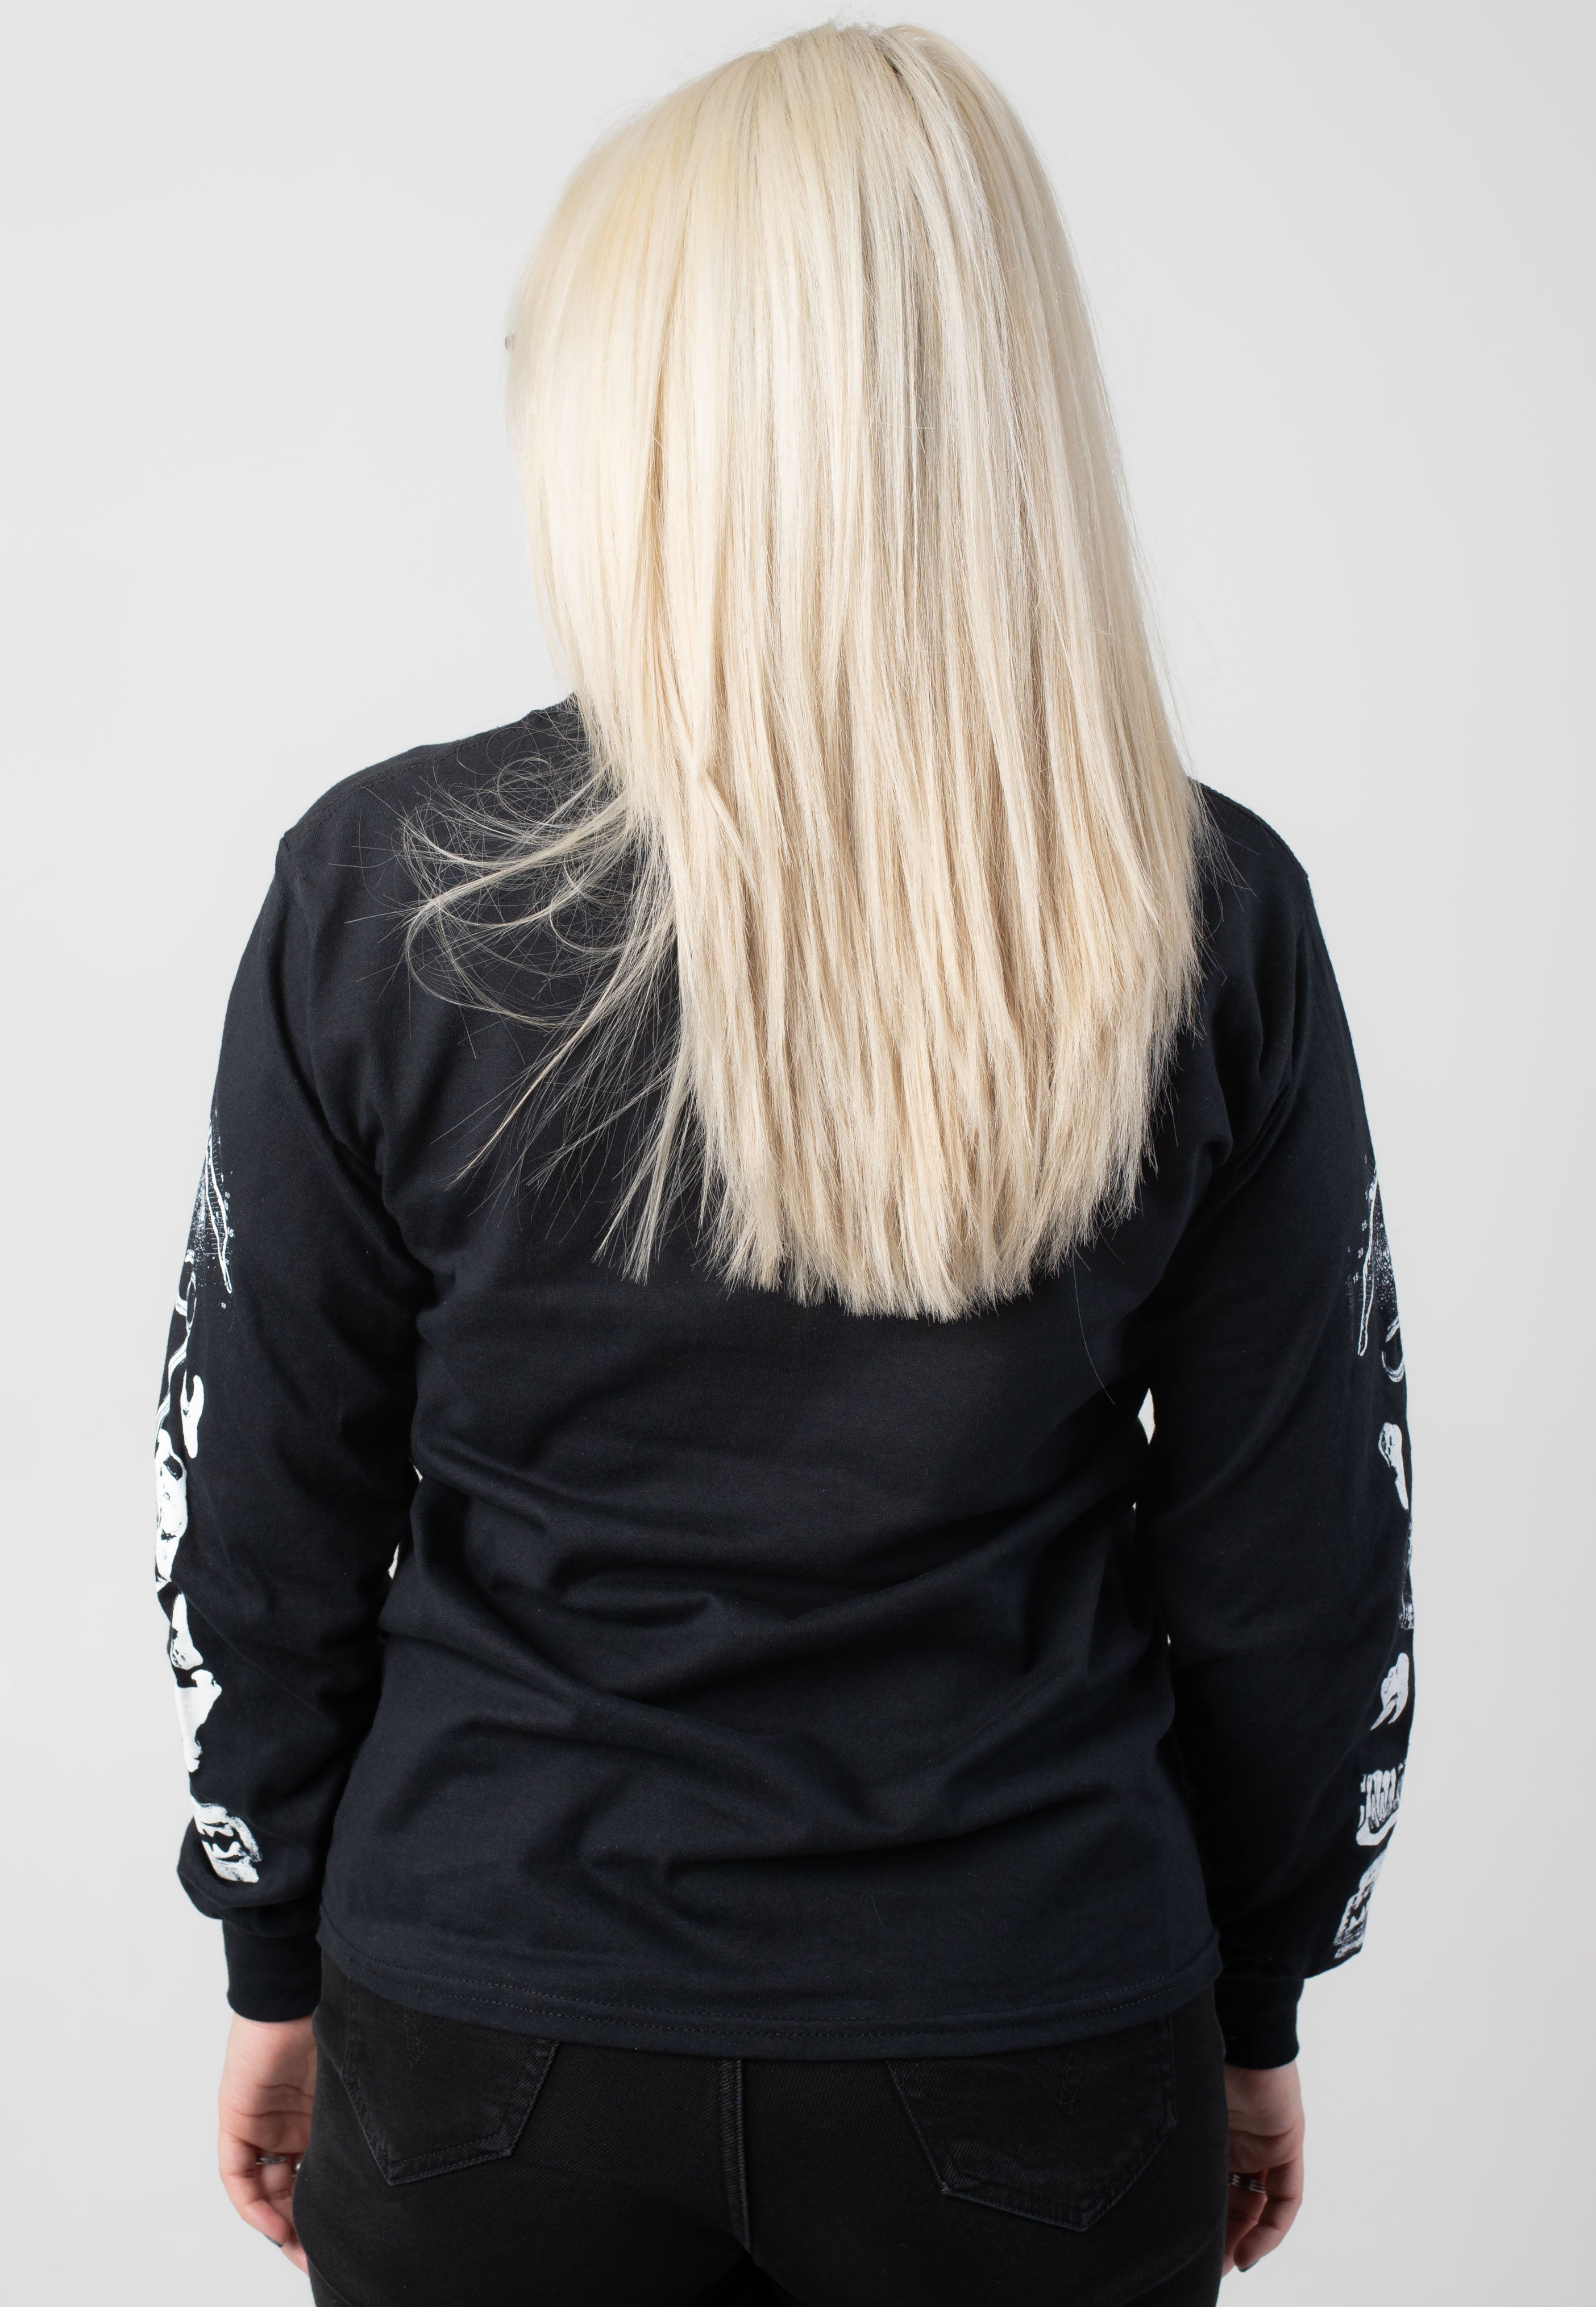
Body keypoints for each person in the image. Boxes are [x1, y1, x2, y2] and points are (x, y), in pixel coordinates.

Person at [152, 22, 1414, 2306]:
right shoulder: (1201, 914)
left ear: (634, 425)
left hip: (491, 2038)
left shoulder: (386, 896)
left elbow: (261, 1507)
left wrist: (273, 1945)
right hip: (1035, 2034)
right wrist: (1253, 2002)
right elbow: (1300, 1567)